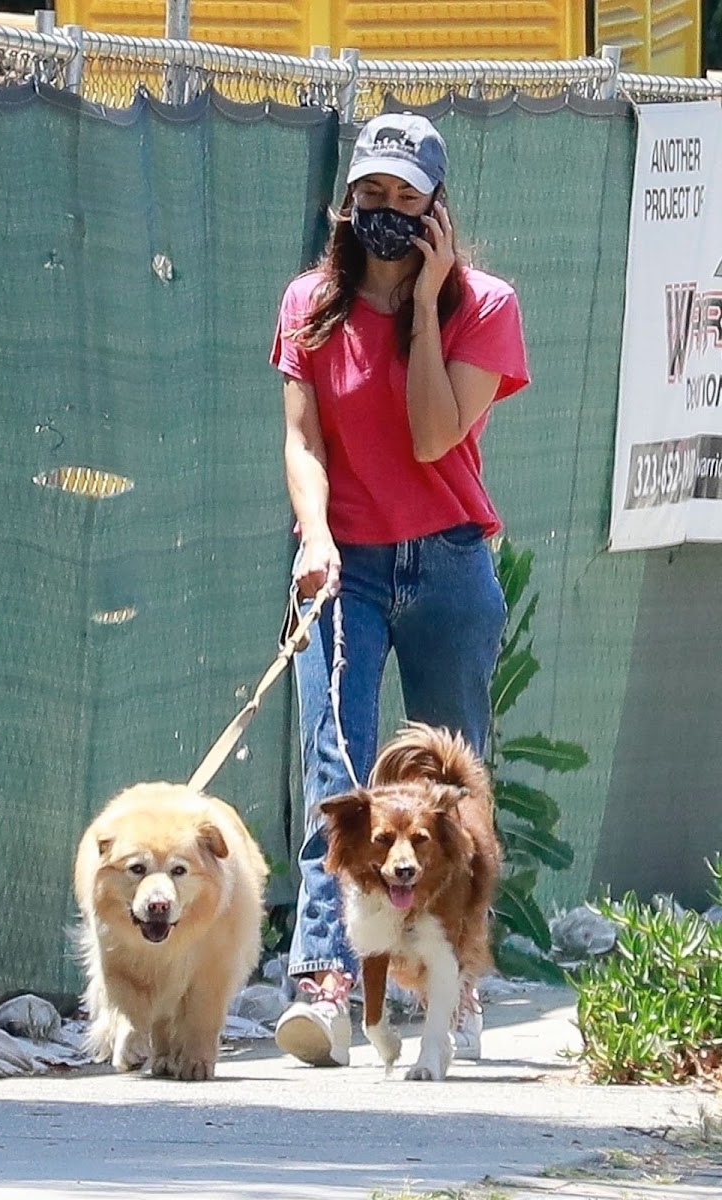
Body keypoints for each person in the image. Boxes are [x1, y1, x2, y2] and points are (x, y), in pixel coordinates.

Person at [268, 113, 530, 1068]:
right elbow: (303, 442)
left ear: (438, 212)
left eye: (406, 199)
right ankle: (327, 984)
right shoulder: (308, 302)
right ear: (347, 202)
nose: (384, 212)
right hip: (346, 566)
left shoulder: (486, 305)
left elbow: (430, 439)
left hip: (451, 565)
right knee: (338, 778)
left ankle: (453, 981)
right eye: (369, 195)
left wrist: (421, 307)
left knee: (450, 800)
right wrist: (318, 539)